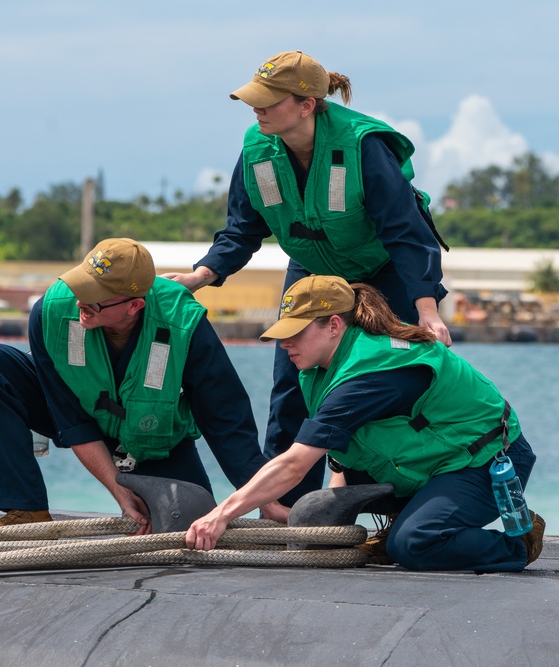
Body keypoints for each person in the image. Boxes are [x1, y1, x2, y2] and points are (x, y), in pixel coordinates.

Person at [165, 51, 451, 505]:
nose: (256, 108)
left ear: (307, 105)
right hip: (312, 271)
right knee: (292, 386)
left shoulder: (362, 145)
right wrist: (201, 275)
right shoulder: (257, 148)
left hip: (383, 274)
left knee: (378, 386)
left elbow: (407, 232)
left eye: (269, 100)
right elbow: (242, 228)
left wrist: (426, 309)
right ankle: (285, 510)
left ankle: (378, 508)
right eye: (254, 100)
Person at [185, 275, 543, 572]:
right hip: (434, 462)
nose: (284, 344)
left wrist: (220, 515)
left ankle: (515, 547)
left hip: (486, 462)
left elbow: (295, 464)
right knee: (331, 505)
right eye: (282, 333)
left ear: (334, 326)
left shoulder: (371, 372)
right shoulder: (323, 366)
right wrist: (323, 518)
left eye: (295, 332)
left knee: (414, 543)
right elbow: (342, 452)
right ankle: (408, 519)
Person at [0, 238, 287, 534]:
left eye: (95, 298)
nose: (80, 302)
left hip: (152, 435)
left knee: (185, 523)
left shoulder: (184, 322)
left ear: (134, 306)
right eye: (80, 287)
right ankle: (26, 510)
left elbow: (225, 416)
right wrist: (119, 490)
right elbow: (69, 416)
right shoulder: (51, 311)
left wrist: (260, 496)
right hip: (76, 412)